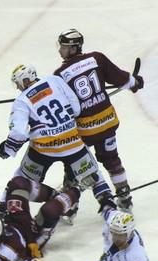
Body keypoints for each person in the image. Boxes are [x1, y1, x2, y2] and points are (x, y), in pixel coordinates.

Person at [0, 64, 110, 224]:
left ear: (25, 80)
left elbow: (19, 133)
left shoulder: (21, 101)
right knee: (94, 176)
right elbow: (76, 109)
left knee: (20, 179)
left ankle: (1, 214)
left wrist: (7, 149)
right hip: (72, 143)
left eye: (18, 84)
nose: (18, 88)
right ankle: (110, 210)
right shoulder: (55, 80)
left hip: (43, 150)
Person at [55, 29, 144, 212]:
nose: (60, 51)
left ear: (73, 48)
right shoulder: (96, 58)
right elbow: (120, 78)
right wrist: (135, 83)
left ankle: (70, 206)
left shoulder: (60, 74)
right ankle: (125, 197)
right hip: (107, 124)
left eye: (63, 47)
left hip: (85, 132)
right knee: (112, 159)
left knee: (74, 164)